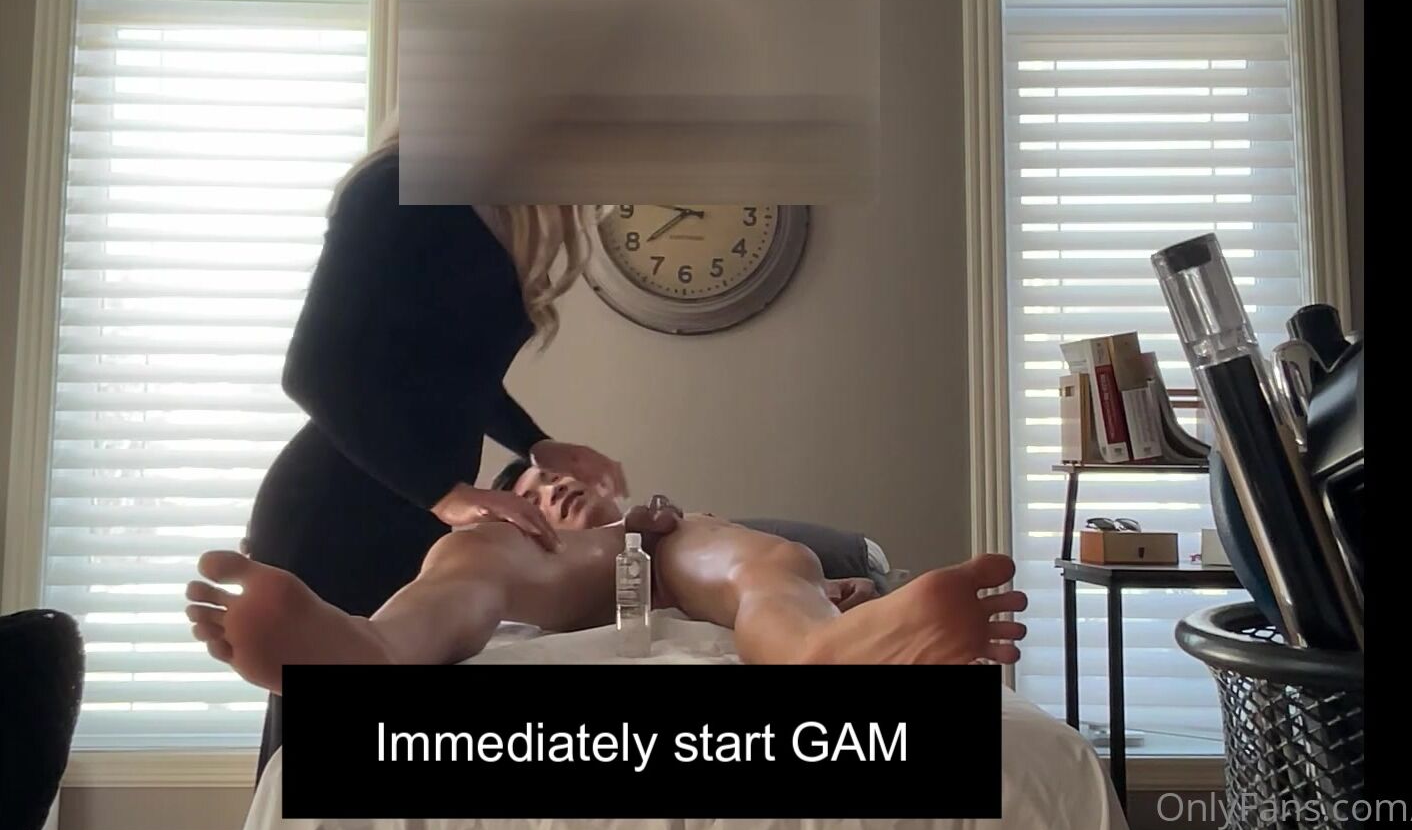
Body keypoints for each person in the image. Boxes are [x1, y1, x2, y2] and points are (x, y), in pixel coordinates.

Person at [242, 112, 625, 777]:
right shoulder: (397, 186)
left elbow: (447, 373)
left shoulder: (491, 205)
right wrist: (443, 493)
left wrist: (536, 443)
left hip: (407, 508)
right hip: (338, 511)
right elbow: (313, 371)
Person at [186, 469, 1028, 691]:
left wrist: (850, 596)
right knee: (468, 565)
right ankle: (363, 650)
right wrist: (556, 529)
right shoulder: (514, 540)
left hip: (672, 563)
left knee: (762, 565)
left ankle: (823, 651)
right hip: (550, 568)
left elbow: (753, 573)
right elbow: (497, 553)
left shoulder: (675, 524)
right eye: (535, 487)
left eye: (569, 481)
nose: (556, 488)